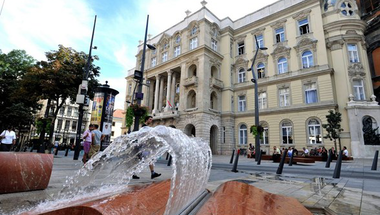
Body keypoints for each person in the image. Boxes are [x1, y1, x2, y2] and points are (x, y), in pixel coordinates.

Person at [133, 115, 161, 180]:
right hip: (142, 147)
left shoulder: (146, 127)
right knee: (148, 159)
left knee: (141, 161)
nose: (151, 120)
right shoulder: (144, 127)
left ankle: (133, 173)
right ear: (147, 120)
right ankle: (152, 173)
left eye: (151, 119)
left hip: (144, 147)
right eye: (150, 119)